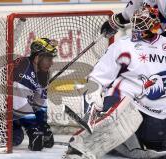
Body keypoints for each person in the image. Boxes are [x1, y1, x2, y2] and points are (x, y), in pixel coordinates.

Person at [63, 6, 166, 159]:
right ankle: (80, 146)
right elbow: (96, 79)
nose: (138, 27)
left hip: (157, 119)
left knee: (159, 143)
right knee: (124, 111)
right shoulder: (123, 45)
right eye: (136, 22)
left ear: (155, 24)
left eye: (143, 23)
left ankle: (124, 144)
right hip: (128, 106)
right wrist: (94, 100)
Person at [12, 37, 58, 151]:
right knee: (6, 138)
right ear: (37, 58)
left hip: (10, 110)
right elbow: (19, 104)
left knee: (16, 138)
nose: (52, 63)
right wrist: (32, 128)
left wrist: (43, 126)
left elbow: (39, 102)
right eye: (49, 58)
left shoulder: (42, 73)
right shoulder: (23, 67)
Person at [101, 0, 166, 38]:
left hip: (158, 40)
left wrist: (161, 39)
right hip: (143, 39)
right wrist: (114, 22)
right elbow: (127, 15)